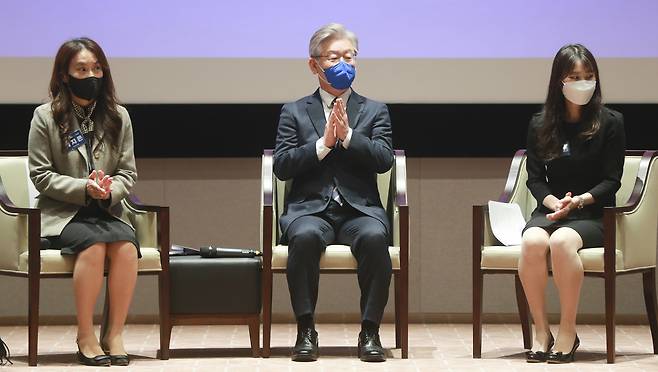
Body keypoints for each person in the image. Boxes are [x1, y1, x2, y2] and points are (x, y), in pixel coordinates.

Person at [273, 23, 394, 362]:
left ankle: (370, 331)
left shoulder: (375, 110)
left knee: (373, 238)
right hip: (310, 210)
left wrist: (350, 138)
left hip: (360, 211)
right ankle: (306, 329)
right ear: (314, 65)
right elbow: (282, 166)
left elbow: (384, 160)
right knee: (306, 237)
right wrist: (323, 145)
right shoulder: (294, 111)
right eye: (334, 57)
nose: (344, 64)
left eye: (349, 57)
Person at [28, 37, 139, 367]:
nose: (91, 74)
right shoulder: (45, 117)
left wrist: (109, 190)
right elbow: (40, 174)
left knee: (126, 247)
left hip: (107, 211)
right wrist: (83, 188)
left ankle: (114, 334)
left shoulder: (118, 116)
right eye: (81, 68)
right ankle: (85, 334)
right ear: (64, 75)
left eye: (96, 68)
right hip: (62, 213)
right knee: (92, 246)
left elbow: (127, 173)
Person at [518, 44, 625, 364]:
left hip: (593, 212)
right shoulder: (540, 124)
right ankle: (542, 331)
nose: (583, 83)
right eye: (575, 77)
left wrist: (578, 201)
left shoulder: (611, 122)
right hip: (553, 209)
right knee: (532, 240)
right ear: (559, 81)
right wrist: (553, 203)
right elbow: (535, 178)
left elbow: (612, 180)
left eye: (589, 76)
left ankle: (567, 330)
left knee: (563, 241)